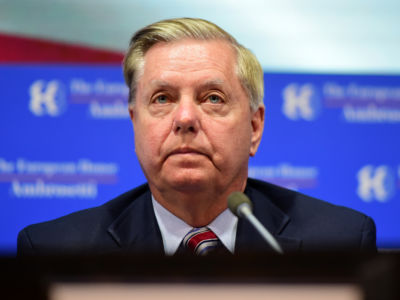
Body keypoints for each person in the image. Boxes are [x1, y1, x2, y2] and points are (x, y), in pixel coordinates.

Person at [17, 18, 376, 256]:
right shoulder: (55, 250)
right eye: (162, 99)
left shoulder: (338, 242)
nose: (185, 118)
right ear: (134, 122)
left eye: (213, 98)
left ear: (254, 127)